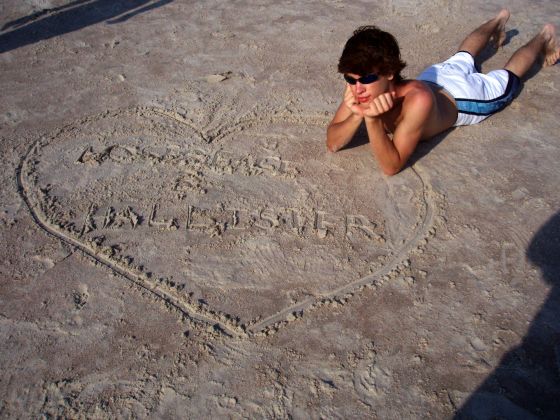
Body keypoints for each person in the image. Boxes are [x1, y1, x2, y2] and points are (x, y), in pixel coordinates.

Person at [326, 9, 560, 176]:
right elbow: (333, 143)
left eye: (366, 78)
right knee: (463, 56)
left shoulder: (418, 101)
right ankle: (497, 21)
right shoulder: (360, 88)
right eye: (350, 79)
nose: (357, 88)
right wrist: (357, 113)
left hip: (464, 97)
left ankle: (543, 37)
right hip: (433, 77)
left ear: (388, 72)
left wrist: (372, 119)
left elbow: (391, 166)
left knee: (509, 76)